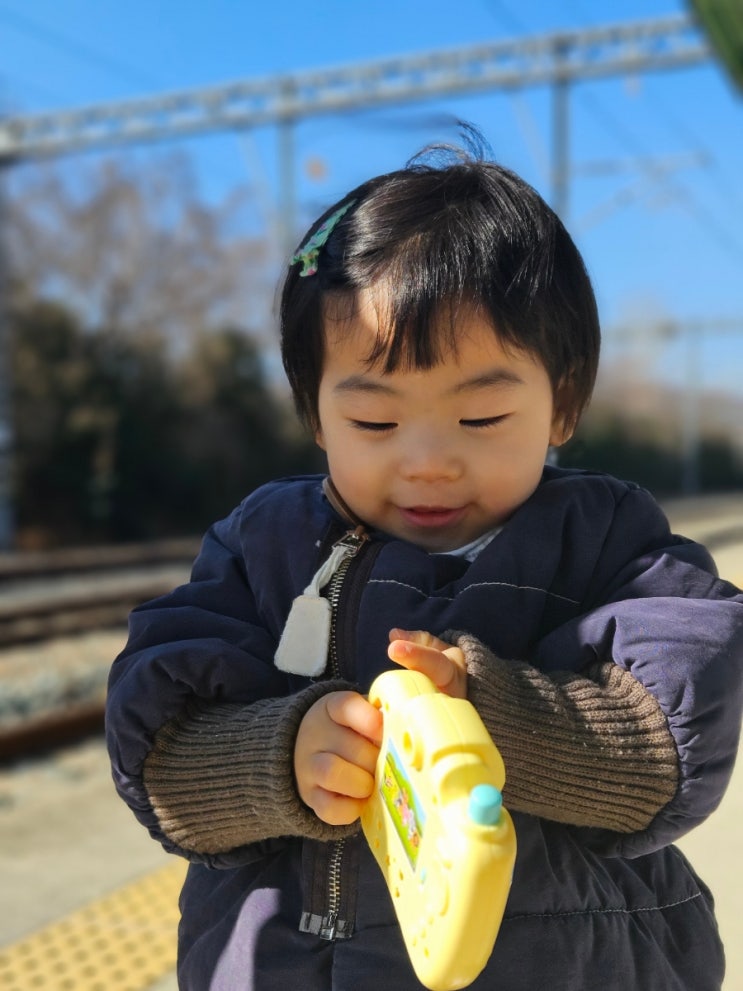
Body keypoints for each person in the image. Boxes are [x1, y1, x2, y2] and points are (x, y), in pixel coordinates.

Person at [106, 135, 743, 991]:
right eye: (374, 423)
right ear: (314, 410)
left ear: (563, 400)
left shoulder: (609, 543)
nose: (428, 460)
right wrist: (280, 755)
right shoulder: (263, 547)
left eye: (481, 419)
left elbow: (669, 752)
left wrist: (492, 719)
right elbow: (159, 757)